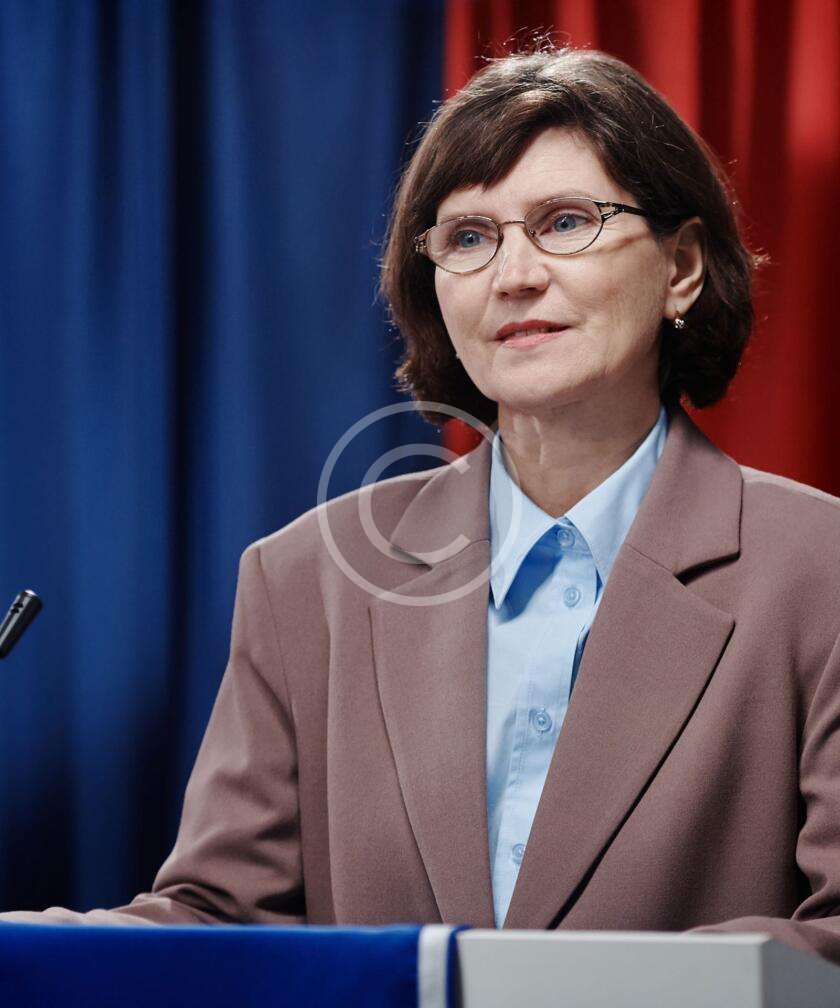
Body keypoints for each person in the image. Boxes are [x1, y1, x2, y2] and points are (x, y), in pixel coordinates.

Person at [3, 45, 840, 968]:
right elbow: (218, 925)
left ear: (680, 266)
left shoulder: (819, 571)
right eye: (469, 238)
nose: (513, 275)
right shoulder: (305, 579)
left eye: (565, 222)